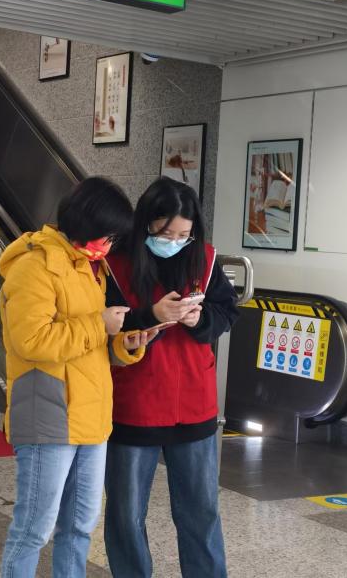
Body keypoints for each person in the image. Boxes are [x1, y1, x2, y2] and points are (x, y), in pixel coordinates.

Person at [0, 177, 156, 578]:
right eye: (108, 236)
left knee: (80, 526)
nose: (110, 245)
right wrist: (98, 324)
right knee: (34, 528)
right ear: (86, 223)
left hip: (90, 416)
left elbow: (87, 345)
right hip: (47, 414)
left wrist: (123, 345)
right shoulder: (35, 266)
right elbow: (31, 341)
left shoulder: (89, 268)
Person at [105, 177, 239, 578]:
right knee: (126, 513)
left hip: (193, 402)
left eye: (184, 234)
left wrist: (201, 320)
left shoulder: (205, 260)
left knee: (201, 511)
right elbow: (102, 324)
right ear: (146, 223)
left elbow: (227, 312)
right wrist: (151, 316)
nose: (176, 242)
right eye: (165, 234)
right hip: (135, 403)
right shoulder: (115, 263)